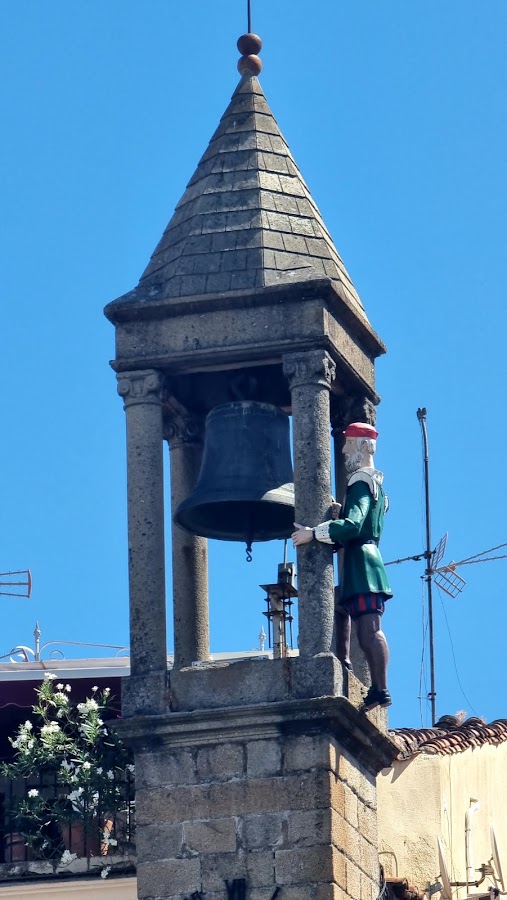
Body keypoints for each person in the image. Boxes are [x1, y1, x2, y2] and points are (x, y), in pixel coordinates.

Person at [291, 422, 393, 710]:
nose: (345, 448)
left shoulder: (361, 481)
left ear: (362, 445)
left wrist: (314, 533)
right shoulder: (377, 485)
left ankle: (380, 689)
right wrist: (338, 514)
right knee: (344, 608)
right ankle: (347, 663)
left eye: (349, 442)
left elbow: (355, 524)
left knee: (369, 629)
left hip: (363, 564)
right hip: (363, 561)